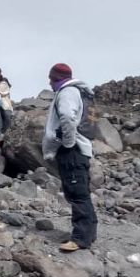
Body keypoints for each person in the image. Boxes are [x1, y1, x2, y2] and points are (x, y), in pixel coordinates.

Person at [42, 63, 98, 252]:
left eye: (51, 78)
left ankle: (80, 238)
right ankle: (89, 233)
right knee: (81, 192)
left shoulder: (67, 93)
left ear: (56, 78)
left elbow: (67, 117)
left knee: (76, 193)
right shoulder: (79, 92)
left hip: (72, 151)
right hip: (80, 150)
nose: (49, 82)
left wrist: (67, 143)